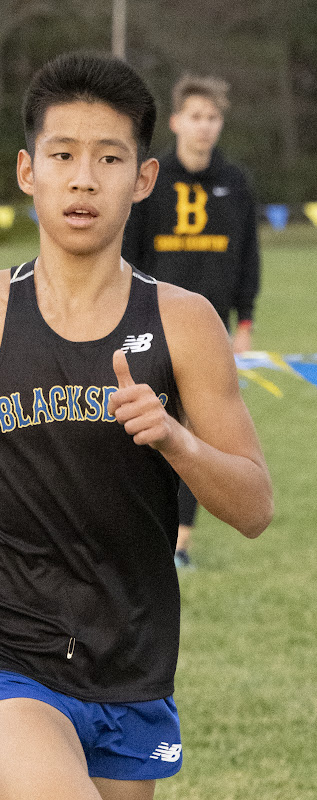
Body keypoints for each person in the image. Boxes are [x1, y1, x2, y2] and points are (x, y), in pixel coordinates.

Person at [0, 52, 273, 800]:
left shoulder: (185, 324)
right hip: (4, 645)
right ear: (26, 171)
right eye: (62, 156)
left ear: (142, 179)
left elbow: (253, 507)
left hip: (131, 659)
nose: (83, 179)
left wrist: (176, 439)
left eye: (108, 158)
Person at [122, 74, 262, 569]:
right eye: (195, 117)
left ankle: (179, 544)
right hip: (149, 322)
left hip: (211, 333)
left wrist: (244, 320)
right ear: (178, 121)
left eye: (213, 118)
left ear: (220, 124)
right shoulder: (150, 178)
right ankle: (136, 533)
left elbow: (248, 255)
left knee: (194, 437)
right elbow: (128, 251)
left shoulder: (235, 182)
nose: (204, 127)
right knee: (142, 430)